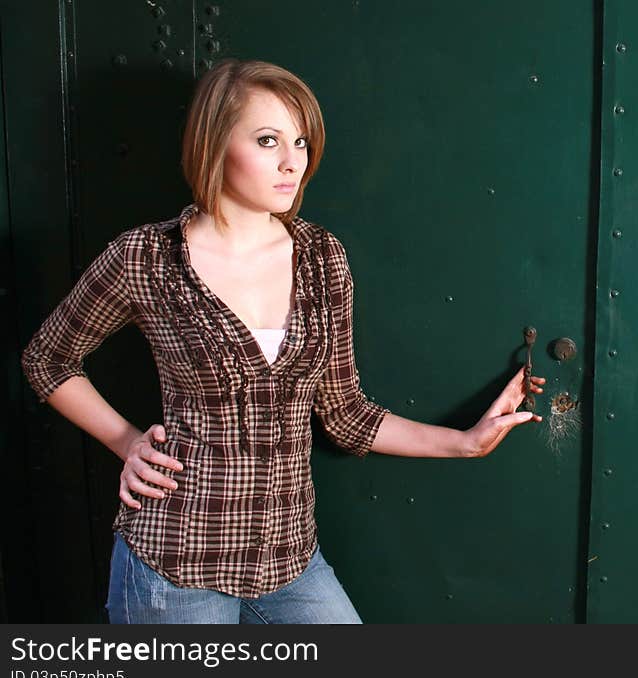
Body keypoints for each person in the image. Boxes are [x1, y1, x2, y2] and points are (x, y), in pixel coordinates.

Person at [21, 59, 545, 624]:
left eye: (300, 141)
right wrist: (126, 440)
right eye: (268, 140)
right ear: (214, 144)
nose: (293, 161)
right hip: (175, 562)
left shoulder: (323, 259)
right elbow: (47, 359)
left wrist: (465, 441)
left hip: (290, 560)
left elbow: (344, 415)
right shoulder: (146, 258)